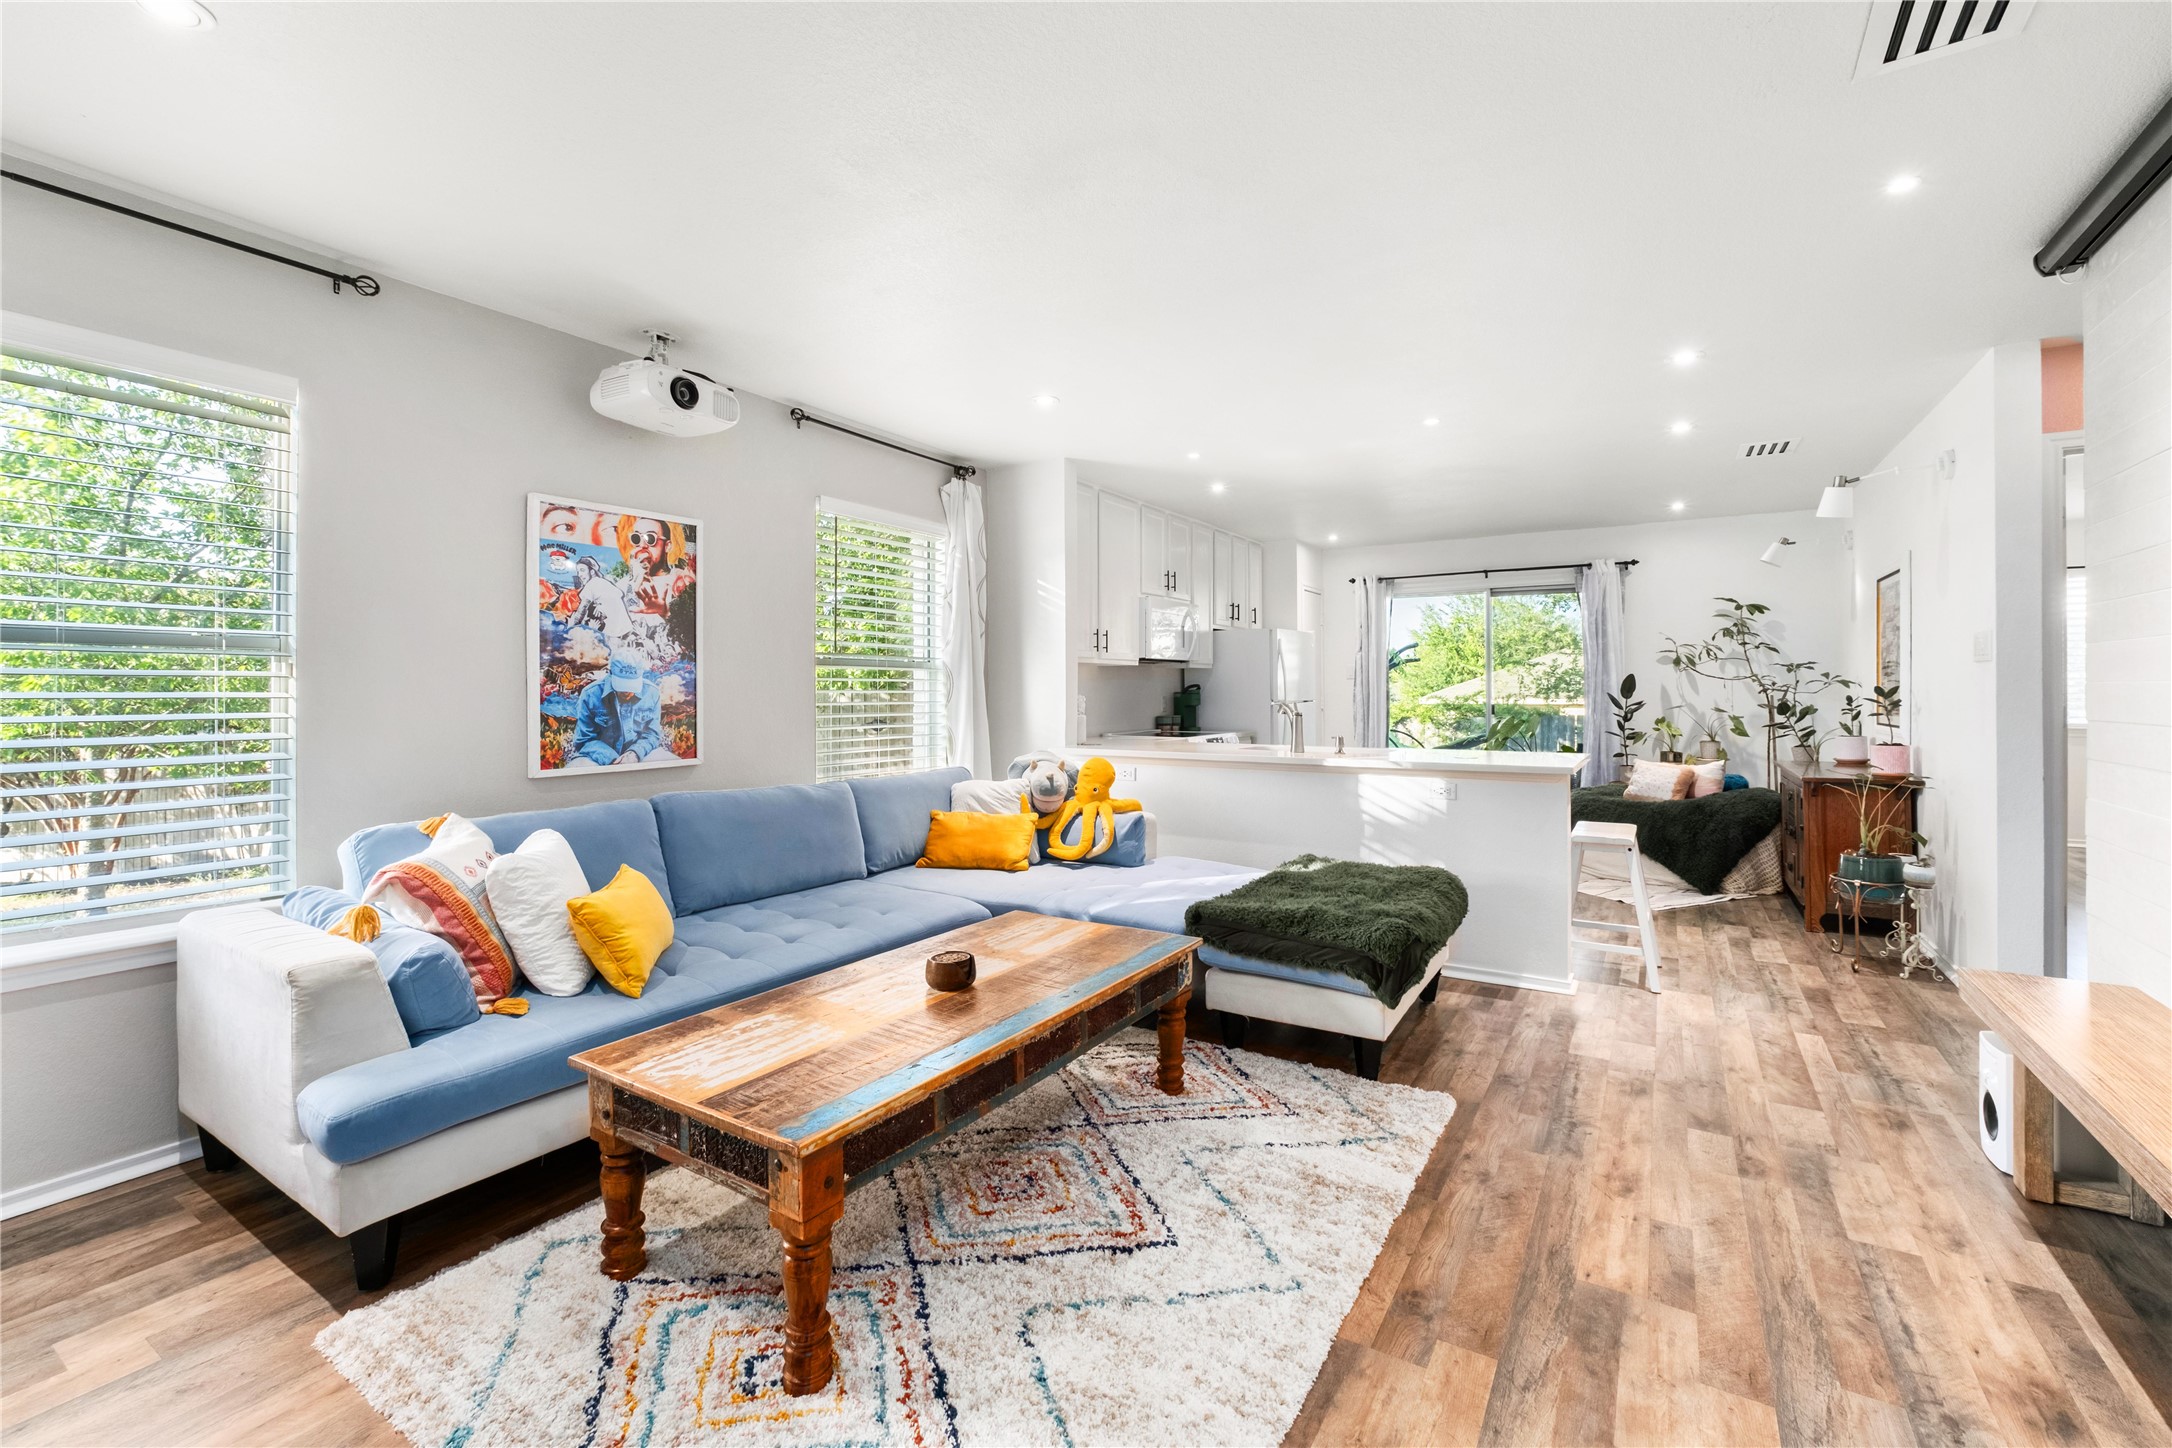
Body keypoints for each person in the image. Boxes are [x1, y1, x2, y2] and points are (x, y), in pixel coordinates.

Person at [567, 652, 678, 768]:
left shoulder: (652, 693)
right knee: (575, 768)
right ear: (610, 674)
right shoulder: (590, 694)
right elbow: (584, 740)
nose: (627, 692)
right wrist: (613, 760)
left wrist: (634, 754)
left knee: (674, 764)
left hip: (640, 754)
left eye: (632, 686)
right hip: (597, 757)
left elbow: (652, 735)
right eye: (622, 686)